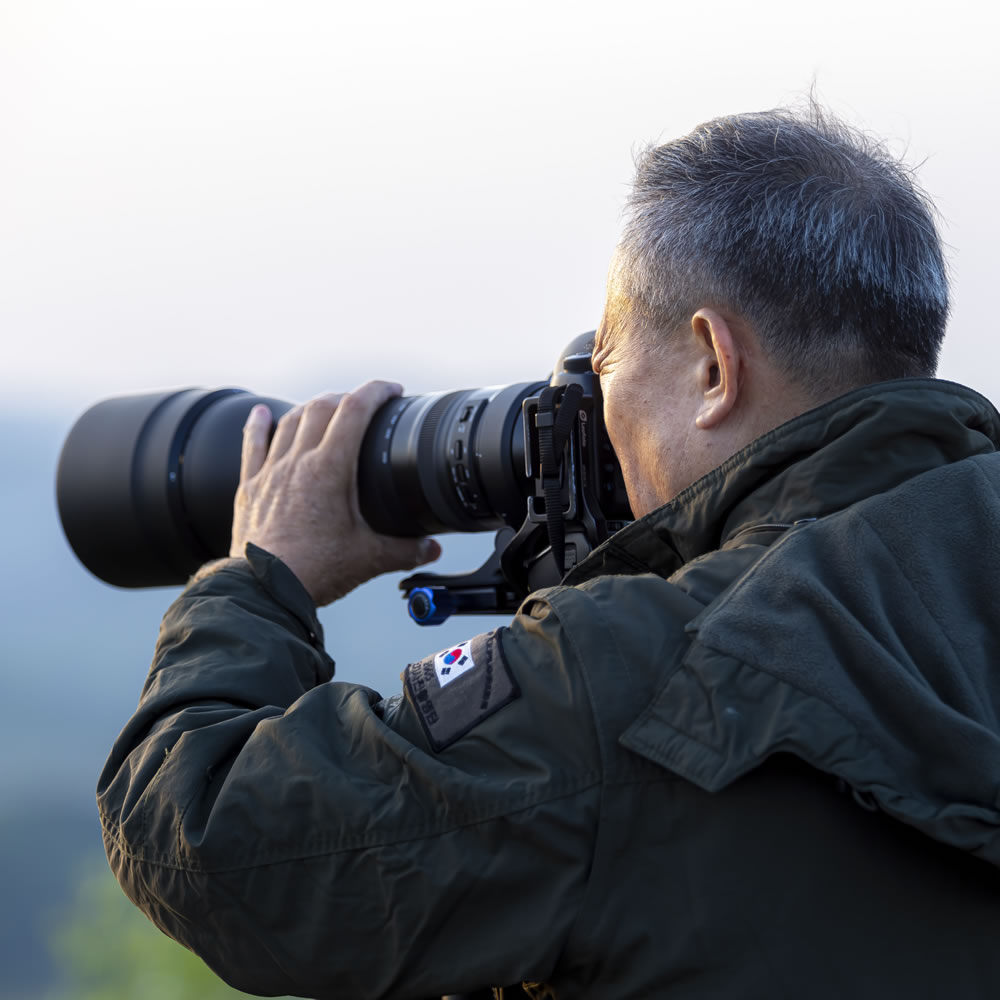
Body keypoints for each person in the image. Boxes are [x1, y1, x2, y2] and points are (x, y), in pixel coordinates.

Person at [98, 104, 1000, 999]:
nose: (596, 412)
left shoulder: (634, 676)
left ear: (712, 366)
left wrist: (259, 578)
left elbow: (209, 834)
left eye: (603, 359)